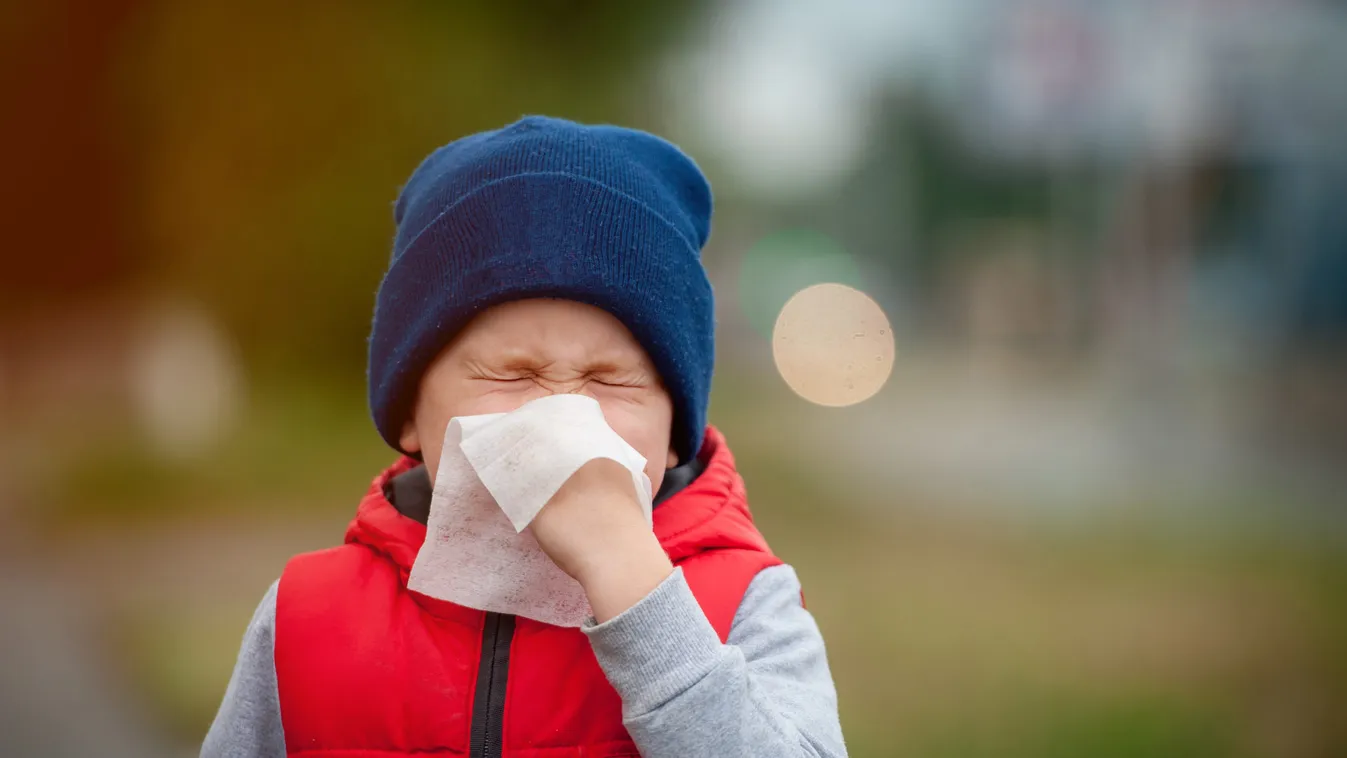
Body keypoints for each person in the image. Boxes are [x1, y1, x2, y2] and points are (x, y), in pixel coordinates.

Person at [202, 115, 846, 758]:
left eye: (609, 379)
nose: (562, 420)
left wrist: (638, 592)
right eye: (512, 374)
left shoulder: (744, 606)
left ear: (674, 433)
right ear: (407, 418)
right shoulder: (306, 621)